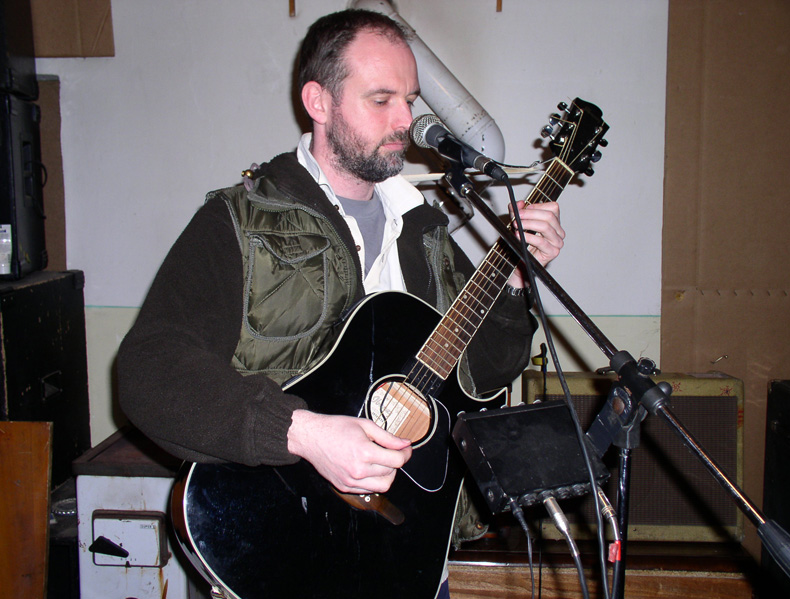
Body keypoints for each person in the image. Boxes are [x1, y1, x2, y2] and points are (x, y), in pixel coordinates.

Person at [118, 8, 564, 598]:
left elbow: (479, 376)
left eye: (410, 100)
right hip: (278, 543)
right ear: (319, 102)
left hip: (409, 547)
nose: (406, 121)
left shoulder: (424, 231)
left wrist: (513, 285)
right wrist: (301, 433)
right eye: (382, 100)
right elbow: (148, 368)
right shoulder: (238, 222)